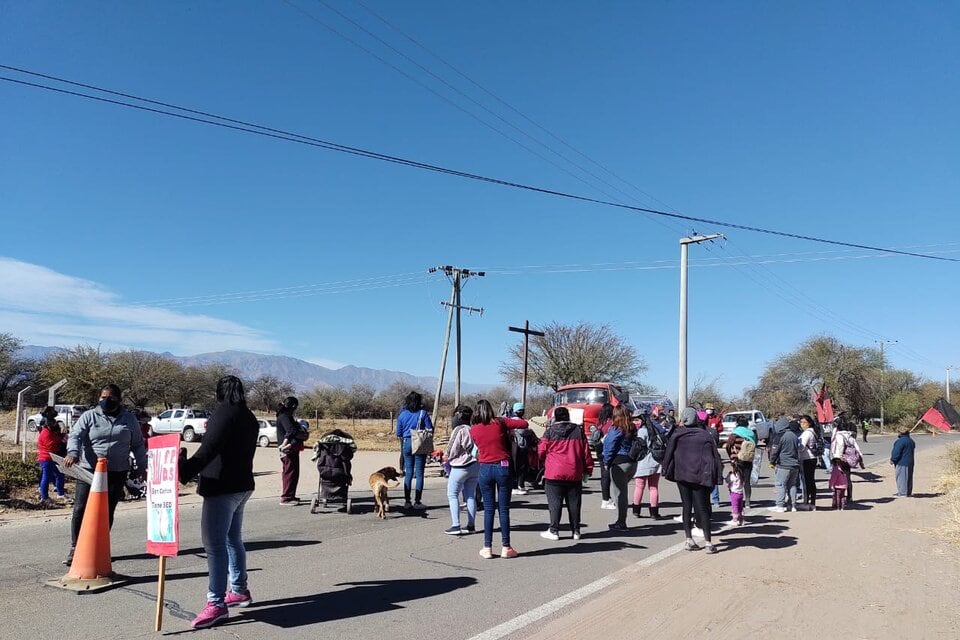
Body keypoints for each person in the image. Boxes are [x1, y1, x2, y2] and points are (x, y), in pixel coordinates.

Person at [179, 375, 258, 629]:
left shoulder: (223, 415)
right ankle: (239, 589)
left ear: (219, 393)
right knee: (232, 539)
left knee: (214, 545)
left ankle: (216, 604)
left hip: (221, 488)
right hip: (242, 486)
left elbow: (208, 449)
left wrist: (184, 471)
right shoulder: (249, 416)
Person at [63, 384, 146, 566]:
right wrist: (73, 452)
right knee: (80, 508)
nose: (106, 400)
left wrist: (142, 465)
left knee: (107, 511)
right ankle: (76, 546)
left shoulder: (129, 419)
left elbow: (138, 444)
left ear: (119, 400)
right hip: (89, 471)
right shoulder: (89, 416)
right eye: (102, 397)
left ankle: (99, 545)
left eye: (110, 397)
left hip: (116, 472)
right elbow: (75, 435)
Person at [470, 399, 528, 559]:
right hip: (503, 467)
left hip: (485, 468)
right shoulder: (500, 422)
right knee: (504, 509)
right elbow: (524, 424)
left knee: (489, 509)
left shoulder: (474, 430)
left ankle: (487, 547)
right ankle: (506, 547)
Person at [662, 407, 723, 554]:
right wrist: (717, 475)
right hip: (699, 476)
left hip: (681, 475)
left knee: (686, 506)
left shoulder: (677, 434)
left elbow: (668, 454)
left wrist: (665, 470)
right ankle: (708, 543)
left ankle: (689, 539)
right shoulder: (704, 435)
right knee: (702, 508)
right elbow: (714, 457)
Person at [538, 406, 593, 540]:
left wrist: (542, 462)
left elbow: (541, 451)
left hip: (554, 472)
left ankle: (554, 530)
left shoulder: (549, 432)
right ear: (568, 416)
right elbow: (586, 452)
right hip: (574, 472)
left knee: (554, 503)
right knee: (574, 504)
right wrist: (588, 469)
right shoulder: (578, 431)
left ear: (555, 417)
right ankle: (576, 531)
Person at [602, 405, 638, 531]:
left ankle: (621, 522)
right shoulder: (632, 427)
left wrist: (606, 461)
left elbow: (609, 445)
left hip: (619, 463)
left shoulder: (616, 428)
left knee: (620, 494)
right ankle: (621, 520)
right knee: (623, 491)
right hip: (632, 463)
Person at [395, 391, 433, 510]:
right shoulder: (423, 413)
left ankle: (407, 501)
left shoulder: (402, 414)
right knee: (420, 473)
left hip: (406, 443)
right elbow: (430, 428)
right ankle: (417, 501)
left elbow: (399, 433)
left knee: (408, 472)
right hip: (419, 444)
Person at [444, 405, 478, 535]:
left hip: (460, 467)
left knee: (452, 494)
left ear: (458, 416)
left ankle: (456, 525)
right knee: (470, 495)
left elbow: (452, 449)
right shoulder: (473, 429)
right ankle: (471, 524)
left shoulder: (459, 430)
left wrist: (446, 458)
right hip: (475, 465)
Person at [632, 414, 665, 520]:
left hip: (643, 462)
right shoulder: (655, 429)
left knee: (639, 486)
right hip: (656, 461)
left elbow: (639, 446)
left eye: (637, 420)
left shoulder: (642, 431)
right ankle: (654, 513)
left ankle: (636, 510)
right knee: (653, 487)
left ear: (642, 420)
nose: (635, 422)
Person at [275, 396, 304, 505]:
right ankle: (286, 497)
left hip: (291, 449)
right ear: (293, 406)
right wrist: (287, 443)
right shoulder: (284, 417)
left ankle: (290, 495)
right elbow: (291, 430)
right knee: (289, 473)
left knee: (293, 473)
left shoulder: (285, 416)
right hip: (288, 450)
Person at [768, 418, 802, 513]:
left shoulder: (780, 436)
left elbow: (774, 451)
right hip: (795, 465)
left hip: (783, 465)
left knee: (780, 484)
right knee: (792, 485)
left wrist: (772, 462)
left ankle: (780, 505)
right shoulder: (794, 435)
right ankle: (792, 505)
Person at [37, 407, 68, 505]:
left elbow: (57, 438)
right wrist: (61, 441)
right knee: (46, 477)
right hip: (46, 458)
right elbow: (51, 446)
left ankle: (60, 493)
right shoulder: (45, 433)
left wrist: (62, 436)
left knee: (59, 474)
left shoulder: (50, 432)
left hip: (54, 457)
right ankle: (44, 497)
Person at [725, 415, 757, 509]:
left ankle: (738, 501)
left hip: (737, 460)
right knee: (747, 481)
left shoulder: (735, 433)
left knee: (737, 481)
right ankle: (748, 501)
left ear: (737, 423)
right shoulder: (751, 433)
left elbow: (728, 446)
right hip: (749, 460)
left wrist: (731, 456)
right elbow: (755, 444)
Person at [830, 419, 864, 501]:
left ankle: (839, 496)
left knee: (837, 477)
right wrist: (861, 460)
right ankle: (850, 496)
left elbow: (841, 445)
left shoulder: (839, 435)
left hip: (839, 458)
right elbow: (857, 448)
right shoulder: (850, 436)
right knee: (848, 477)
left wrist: (840, 455)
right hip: (848, 459)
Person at [589, 403, 615, 509]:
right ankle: (606, 500)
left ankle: (606, 498)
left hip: (599, 449)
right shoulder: (611, 423)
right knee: (608, 476)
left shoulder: (599, 422)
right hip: (608, 451)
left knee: (604, 475)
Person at [510, 402, 534, 495]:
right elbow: (522, 431)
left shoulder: (521, 420)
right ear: (515, 411)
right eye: (519, 410)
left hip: (523, 446)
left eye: (522, 410)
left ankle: (520, 485)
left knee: (523, 467)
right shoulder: (514, 420)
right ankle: (516, 486)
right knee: (518, 467)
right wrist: (530, 431)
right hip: (517, 447)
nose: (521, 412)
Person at [798, 415, 819, 509]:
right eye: (801, 422)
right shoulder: (813, 431)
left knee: (807, 481)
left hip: (807, 459)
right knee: (811, 480)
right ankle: (812, 501)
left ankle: (807, 502)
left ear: (809, 423)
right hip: (812, 458)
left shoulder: (807, 433)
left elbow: (801, 447)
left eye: (804, 422)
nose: (802, 424)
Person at [704, 403, 723, 507]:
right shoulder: (702, 422)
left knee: (714, 475)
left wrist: (715, 429)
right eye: (707, 409)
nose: (709, 411)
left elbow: (721, 428)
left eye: (710, 409)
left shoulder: (716, 419)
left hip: (713, 447)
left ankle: (715, 499)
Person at [890, 426, 916, 497]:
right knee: (909, 478)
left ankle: (902, 493)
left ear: (900, 433)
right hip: (910, 462)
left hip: (902, 462)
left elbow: (896, 452)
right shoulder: (911, 441)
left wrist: (893, 459)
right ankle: (908, 492)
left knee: (902, 478)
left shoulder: (900, 441)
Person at [725, 460, 745, 526]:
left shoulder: (733, 475)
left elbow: (728, 480)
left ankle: (735, 520)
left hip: (734, 493)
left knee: (735, 507)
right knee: (740, 507)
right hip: (741, 493)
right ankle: (741, 519)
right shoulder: (742, 475)